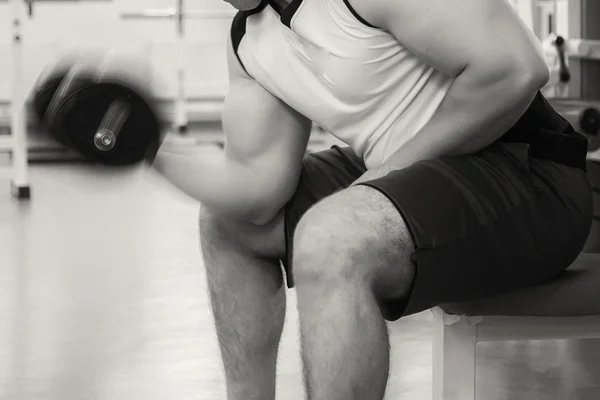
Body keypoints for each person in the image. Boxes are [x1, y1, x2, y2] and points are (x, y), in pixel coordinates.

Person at [152, 0, 593, 399]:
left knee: (331, 238)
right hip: (411, 171)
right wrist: (144, 148)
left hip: (531, 170)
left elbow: (515, 67)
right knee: (228, 223)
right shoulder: (248, 42)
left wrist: (383, 176)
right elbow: (257, 192)